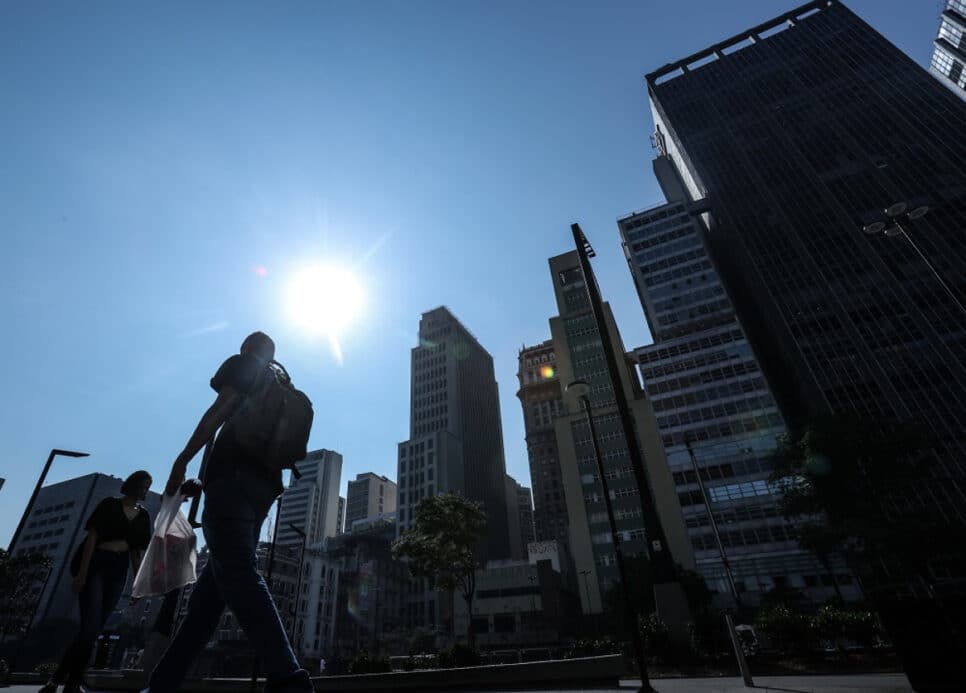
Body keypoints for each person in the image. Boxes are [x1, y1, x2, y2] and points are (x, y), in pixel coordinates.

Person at [146, 331, 312, 693]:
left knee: (238, 572)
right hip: (263, 491)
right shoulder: (282, 387)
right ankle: (163, 682)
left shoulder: (244, 365)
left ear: (247, 348)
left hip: (231, 482)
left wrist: (181, 459)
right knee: (207, 604)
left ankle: (288, 678)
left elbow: (219, 410)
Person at [41, 471, 153, 693]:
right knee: (90, 627)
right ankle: (72, 683)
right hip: (97, 565)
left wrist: (137, 586)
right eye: (142, 486)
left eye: (148, 487)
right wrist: (82, 573)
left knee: (90, 630)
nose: (145, 491)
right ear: (132, 486)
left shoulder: (143, 516)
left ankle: (56, 680)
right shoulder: (110, 505)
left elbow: (136, 554)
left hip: (118, 570)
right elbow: (92, 537)